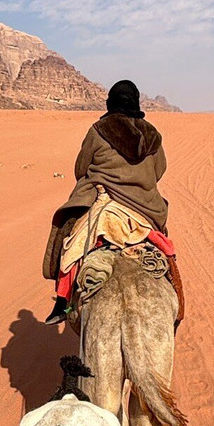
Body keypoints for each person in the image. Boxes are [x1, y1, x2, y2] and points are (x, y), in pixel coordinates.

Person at [42, 80, 169, 324]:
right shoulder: (153, 135)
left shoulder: (98, 130)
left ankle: (62, 301)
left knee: (71, 240)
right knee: (161, 246)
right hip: (145, 206)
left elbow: (81, 169)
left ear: (110, 101)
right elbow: (159, 171)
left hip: (104, 203)